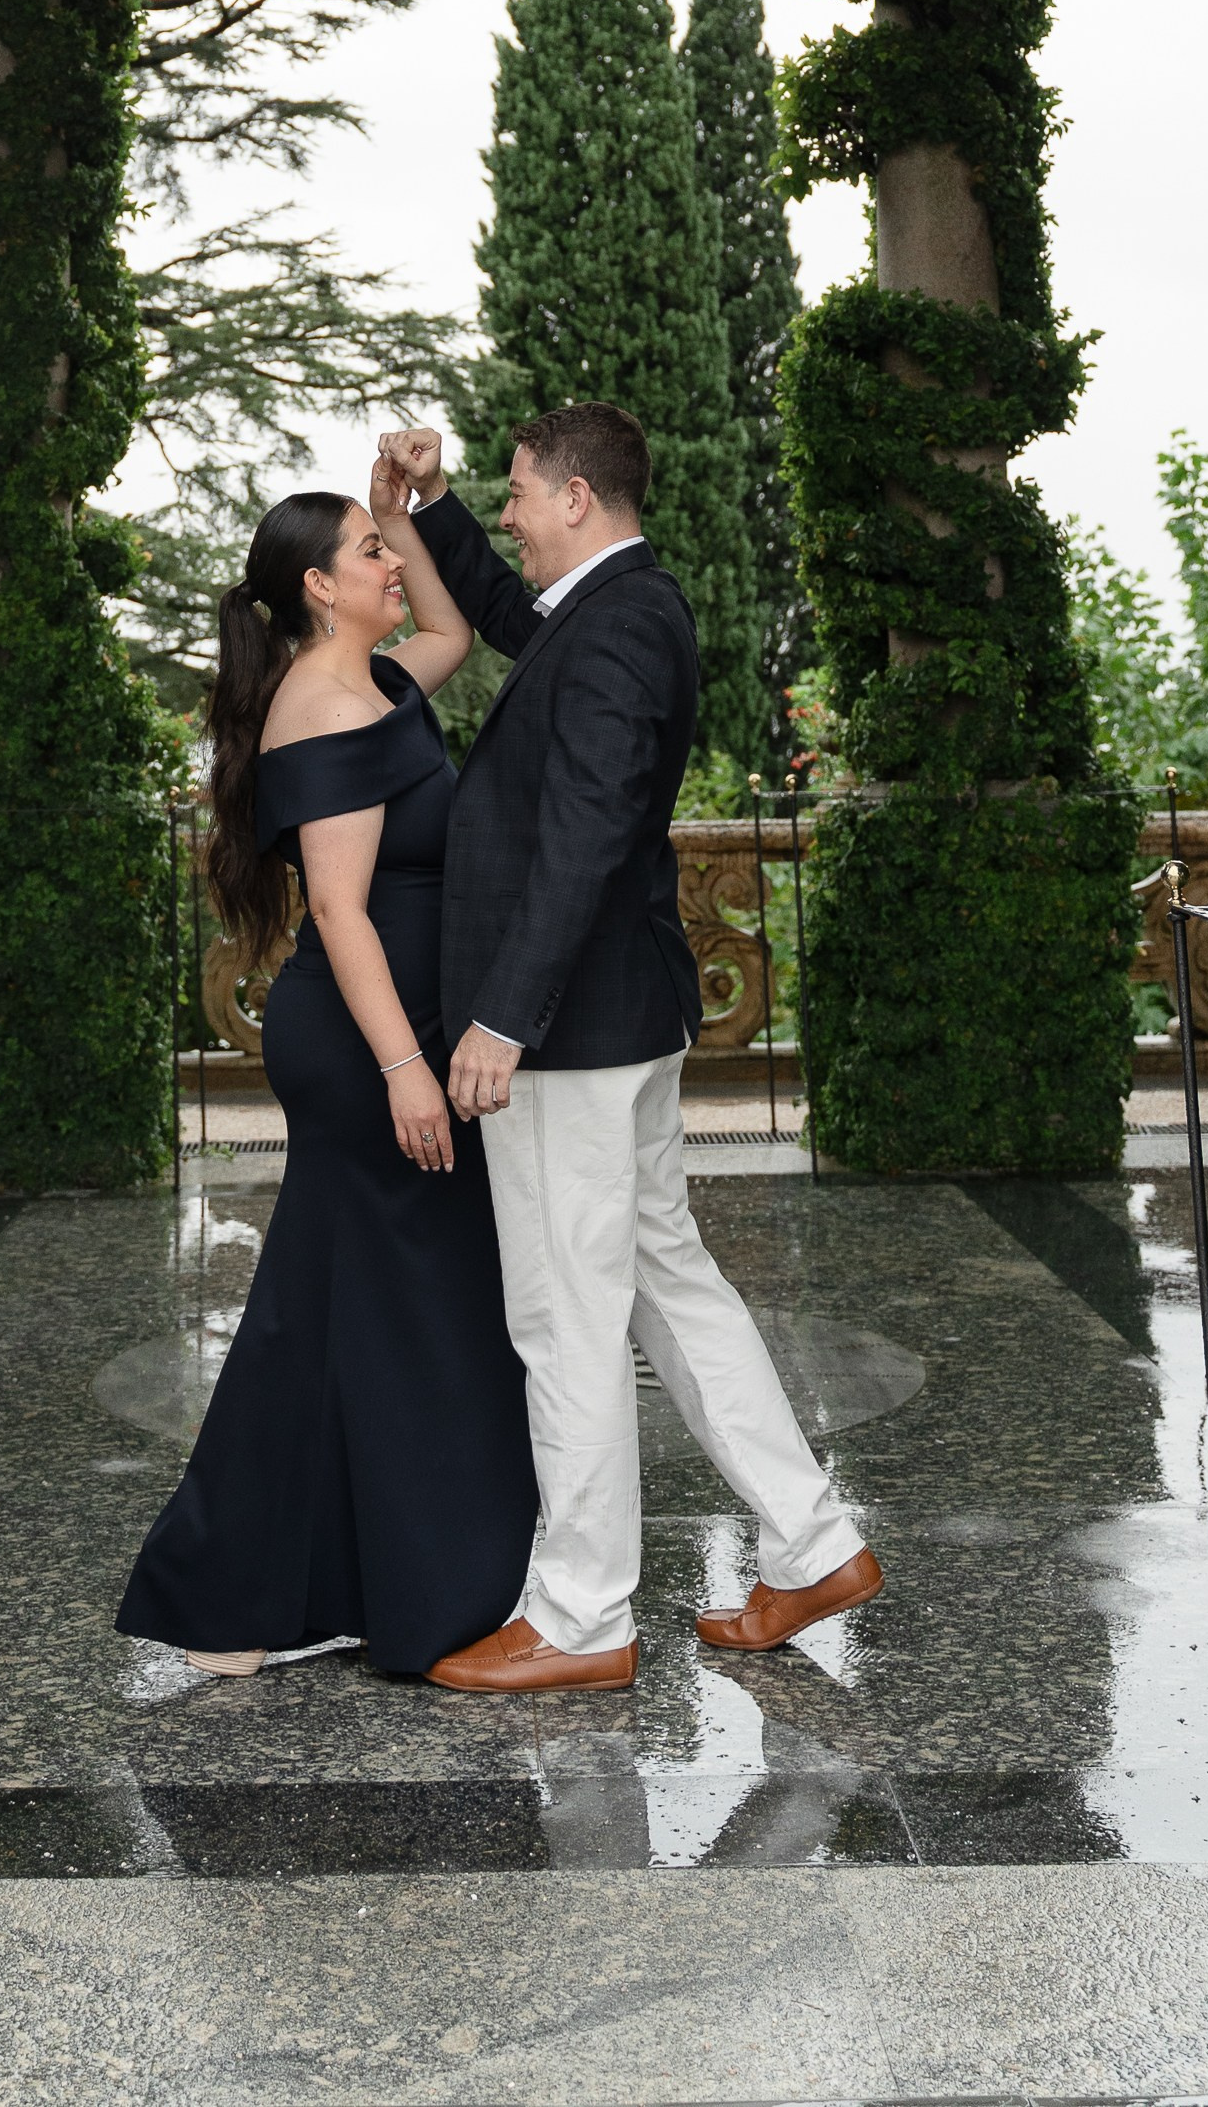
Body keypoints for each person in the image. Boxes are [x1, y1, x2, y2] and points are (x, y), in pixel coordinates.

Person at [378, 404, 884, 1694]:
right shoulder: (609, 607)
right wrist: (424, 502)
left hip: (570, 1035)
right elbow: (503, 615)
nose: (506, 514)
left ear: (580, 498)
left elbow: (588, 833)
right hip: (611, 1021)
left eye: (517, 495)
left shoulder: (620, 625)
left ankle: (582, 1615)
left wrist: (502, 1016)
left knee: (567, 1317)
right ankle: (812, 1543)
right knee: (667, 1283)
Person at [114, 468, 536, 1677]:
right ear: (315, 586)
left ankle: (271, 1593)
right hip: (367, 1044)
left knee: (358, 1313)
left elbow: (456, 628)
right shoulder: (323, 704)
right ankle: (303, 1591)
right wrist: (406, 1065)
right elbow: (340, 911)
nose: (390, 568)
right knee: (388, 1312)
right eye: (366, 553)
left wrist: (404, 505)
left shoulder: (378, 683)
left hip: (389, 1031)